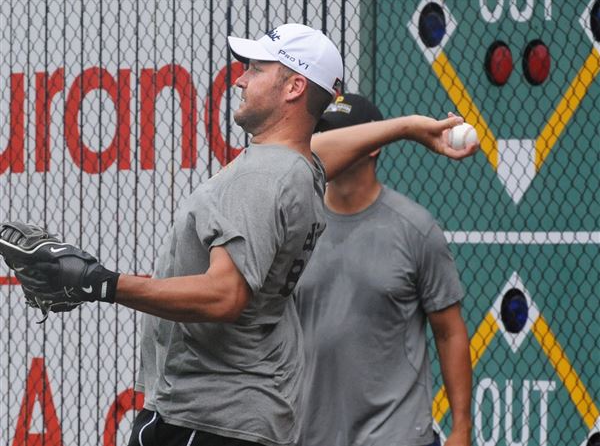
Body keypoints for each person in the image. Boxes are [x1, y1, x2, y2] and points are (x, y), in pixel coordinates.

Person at [0, 25, 476, 446]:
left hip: (205, 417)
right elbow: (322, 148)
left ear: (293, 87)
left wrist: (99, 282)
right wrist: (409, 127)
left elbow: (224, 295)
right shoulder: (295, 168)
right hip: (243, 414)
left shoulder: (266, 177)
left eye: (256, 68)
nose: (242, 79)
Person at [294, 94, 473, 446]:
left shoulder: (415, 228)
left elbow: (449, 332)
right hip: (309, 434)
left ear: (373, 146)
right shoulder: (295, 226)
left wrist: (461, 428)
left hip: (396, 434)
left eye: (345, 135)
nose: (330, 147)